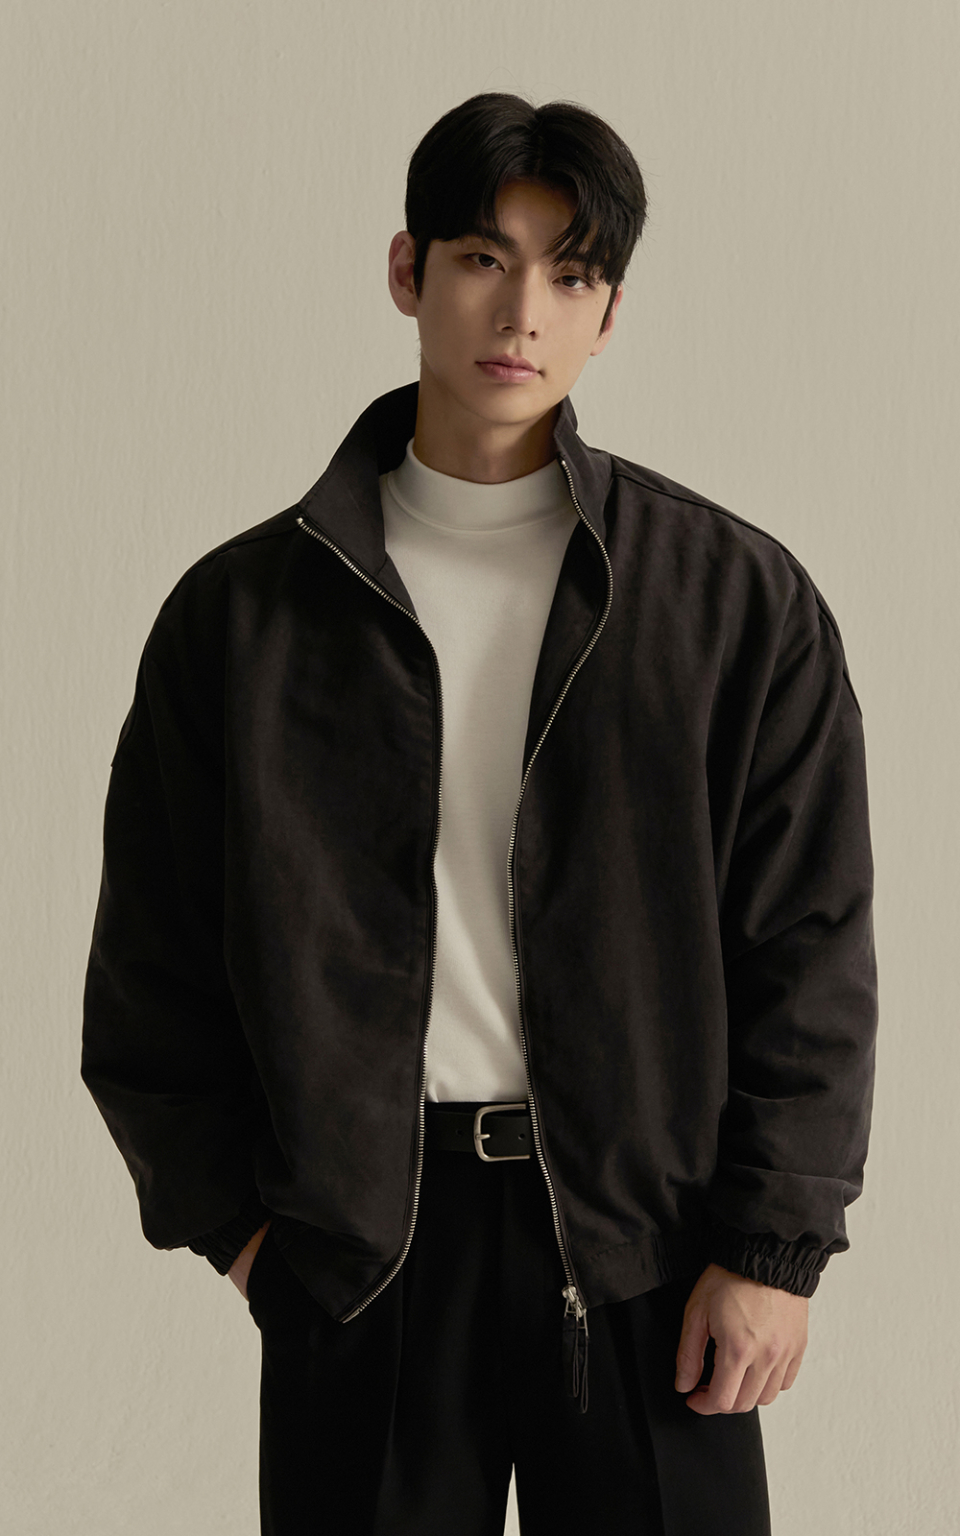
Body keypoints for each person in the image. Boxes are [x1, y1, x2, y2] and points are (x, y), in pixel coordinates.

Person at [81, 92, 878, 1536]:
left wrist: (773, 1246)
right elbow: (152, 968)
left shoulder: (730, 604)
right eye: (481, 259)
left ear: (609, 314)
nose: (521, 313)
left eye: (569, 274)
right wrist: (249, 1236)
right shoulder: (243, 619)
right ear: (408, 272)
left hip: (650, 1254)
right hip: (363, 1258)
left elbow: (809, 946)